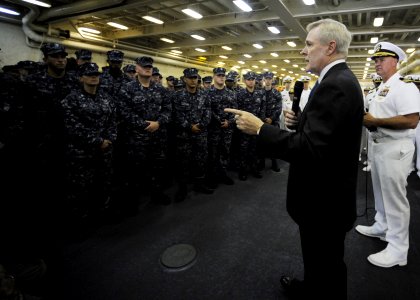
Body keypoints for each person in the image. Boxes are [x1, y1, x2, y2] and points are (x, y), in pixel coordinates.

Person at [225, 18, 364, 299]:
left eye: (309, 44)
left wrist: (261, 129)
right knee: (318, 259)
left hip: (324, 202)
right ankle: (312, 288)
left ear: (330, 47)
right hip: (327, 197)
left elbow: (312, 150)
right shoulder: (337, 81)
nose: (303, 50)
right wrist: (302, 122)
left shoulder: (335, 85)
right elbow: (328, 138)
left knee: (327, 263)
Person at [355, 42, 420, 268]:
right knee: (381, 194)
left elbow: (412, 119)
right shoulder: (383, 88)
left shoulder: (405, 87)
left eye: (382, 59)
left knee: (395, 200)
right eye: (376, 59)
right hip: (379, 145)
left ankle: (398, 249)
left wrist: (376, 121)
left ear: (396, 61)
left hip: (396, 148)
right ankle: (382, 225)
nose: (377, 63)